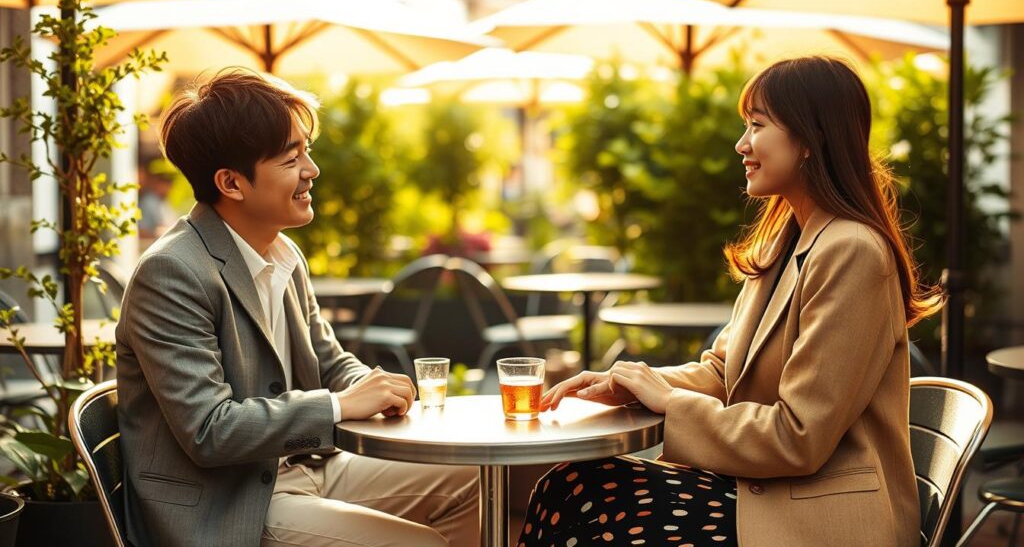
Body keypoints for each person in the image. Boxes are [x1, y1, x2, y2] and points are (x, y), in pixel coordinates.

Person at [518, 56, 942, 547]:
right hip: (766, 491)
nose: (742, 144)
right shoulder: (785, 241)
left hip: (824, 515)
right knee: (568, 487)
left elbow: (798, 436)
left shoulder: (852, 251)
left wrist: (669, 402)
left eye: (757, 125)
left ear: (809, 140)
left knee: (593, 504)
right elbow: (724, 374)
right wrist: (634, 385)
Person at [116, 68, 479, 547]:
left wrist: (373, 389)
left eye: (306, 151)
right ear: (231, 182)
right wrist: (341, 405)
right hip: (229, 505)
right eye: (292, 159)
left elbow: (327, 361)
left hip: (307, 468)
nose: (312, 170)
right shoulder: (172, 273)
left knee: (471, 479)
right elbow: (209, 430)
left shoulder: (282, 253)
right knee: (420, 543)